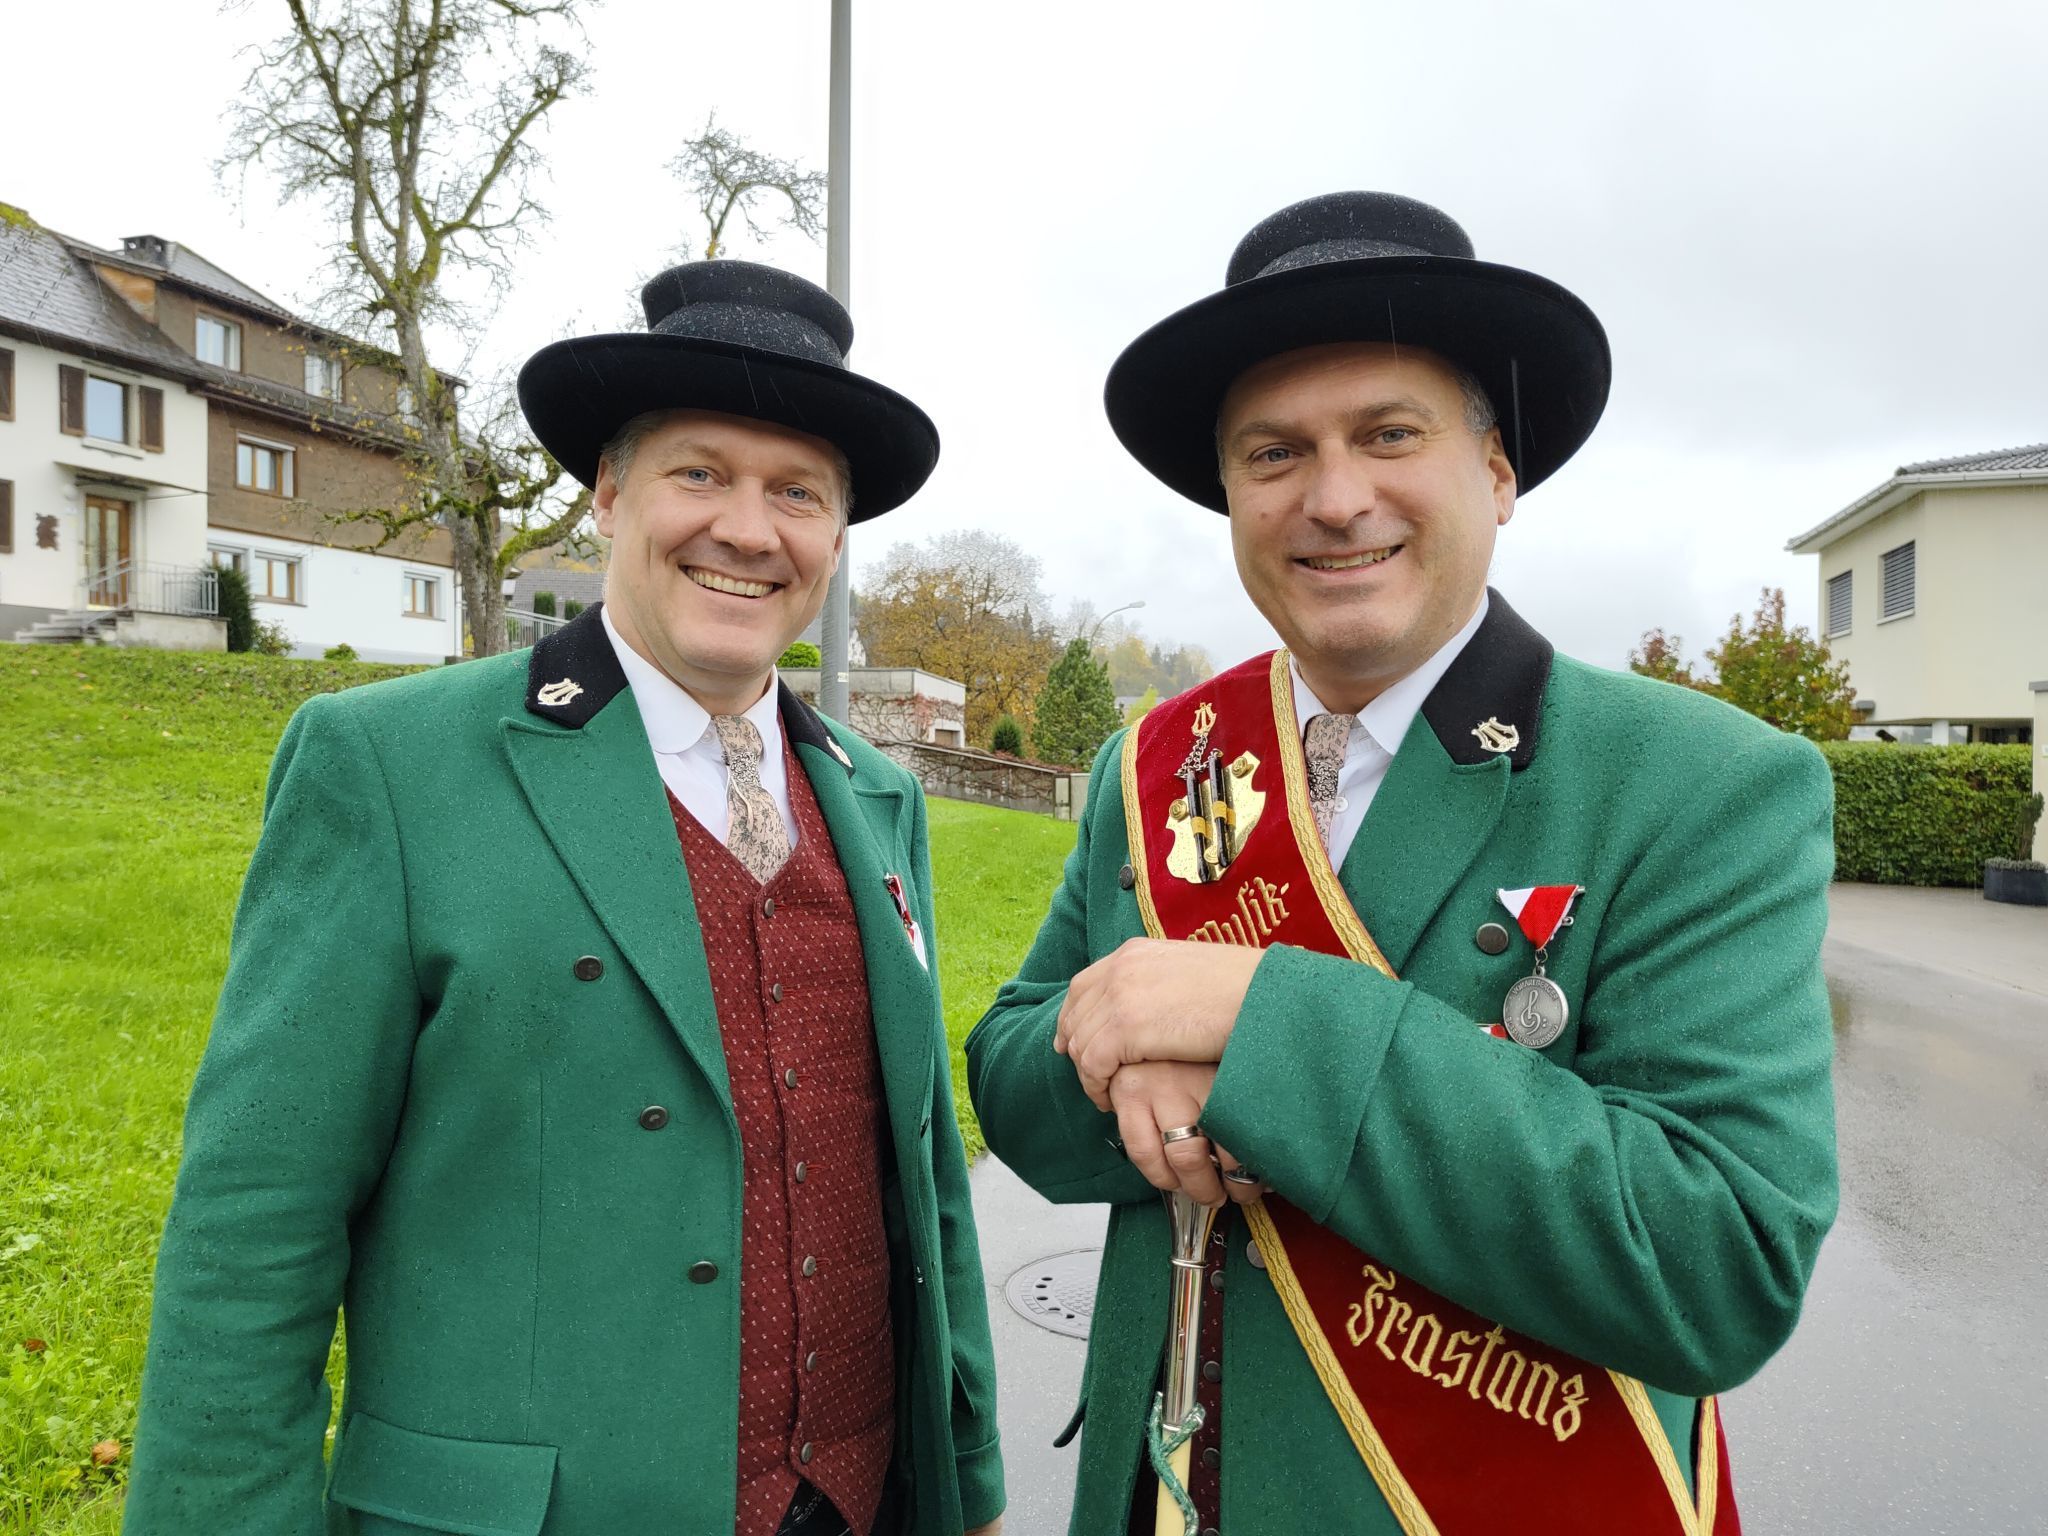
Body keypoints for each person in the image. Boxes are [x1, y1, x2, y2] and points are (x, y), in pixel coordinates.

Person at [967, 192, 1836, 1534]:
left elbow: (1718, 1262)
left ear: (1497, 472)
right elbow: (1015, 1080)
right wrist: (1125, 1055)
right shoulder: (1162, 761)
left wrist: (1262, 1023)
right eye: (1273, 453)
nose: (1332, 498)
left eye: (1388, 435)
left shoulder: (1702, 783)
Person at [126, 260, 1005, 1536]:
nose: (749, 531)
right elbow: (253, 1226)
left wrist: (967, 1481)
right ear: (608, 493)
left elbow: (919, 1174)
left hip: (860, 1502)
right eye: (698, 473)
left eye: (797, 493)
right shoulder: (390, 766)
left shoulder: (877, 796)